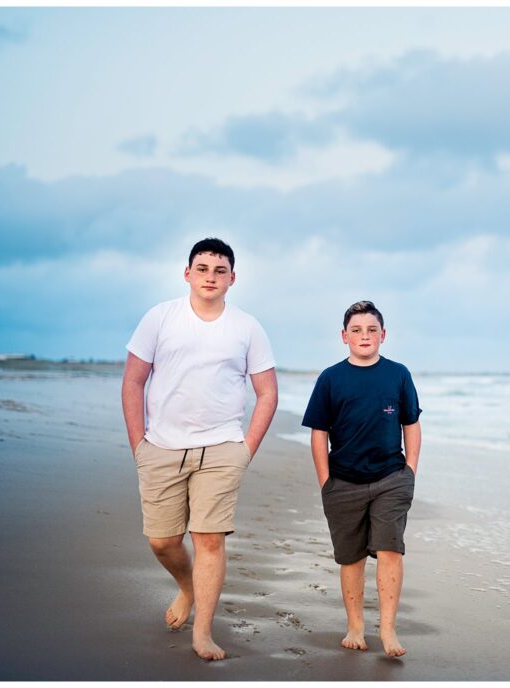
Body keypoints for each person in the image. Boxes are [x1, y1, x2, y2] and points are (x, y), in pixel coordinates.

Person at [121, 237, 278, 661]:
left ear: (233, 278)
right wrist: (139, 444)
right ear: (187, 273)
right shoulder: (160, 318)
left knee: (208, 539)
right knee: (162, 541)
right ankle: (187, 588)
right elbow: (134, 381)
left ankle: (203, 632)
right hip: (161, 447)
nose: (211, 277)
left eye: (220, 270)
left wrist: (245, 449)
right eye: (203, 268)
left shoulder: (247, 327)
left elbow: (266, 393)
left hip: (223, 446)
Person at [302, 300, 422, 658]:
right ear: (344, 336)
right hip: (343, 482)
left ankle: (388, 630)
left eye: (372, 330)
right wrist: (325, 481)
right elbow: (318, 432)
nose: (364, 336)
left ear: (383, 335)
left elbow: (411, 424)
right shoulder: (330, 378)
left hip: (391, 478)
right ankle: (355, 626)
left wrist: (410, 471)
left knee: (390, 550)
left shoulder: (398, 374)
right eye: (356, 330)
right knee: (350, 558)